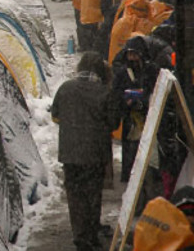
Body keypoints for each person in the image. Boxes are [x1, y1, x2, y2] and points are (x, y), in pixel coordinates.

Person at [51, 52, 121, 251]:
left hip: (70, 154)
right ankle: (90, 236)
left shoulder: (65, 88)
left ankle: (79, 236)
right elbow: (114, 123)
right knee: (92, 195)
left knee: (75, 196)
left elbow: (55, 115)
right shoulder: (104, 92)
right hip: (94, 154)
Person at [113, 35, 160, 183]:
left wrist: (145, 100)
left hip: (148, 117)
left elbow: (157, 91)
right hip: (131, 119)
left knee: (149, 154)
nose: (132, 58)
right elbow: (115, 94)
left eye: (135, 54)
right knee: (131, 152)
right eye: (129, 54)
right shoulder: (122, 73)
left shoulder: (151, 70)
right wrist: (126, 102)